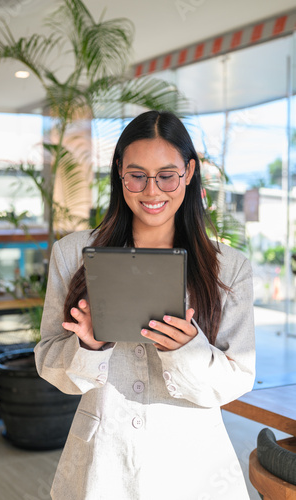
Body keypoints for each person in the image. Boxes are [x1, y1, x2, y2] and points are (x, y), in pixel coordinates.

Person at [34, 110, 255, 500]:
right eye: (137, 175)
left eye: (167, 175)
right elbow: (51, 366)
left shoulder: (229, 267)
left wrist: (188, 351)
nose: (152, 191)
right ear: (119, 172)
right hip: (102, 464)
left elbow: (239, 379)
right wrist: (88, 346)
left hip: (194, 466)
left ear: (188, 172)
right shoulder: (71, 254)